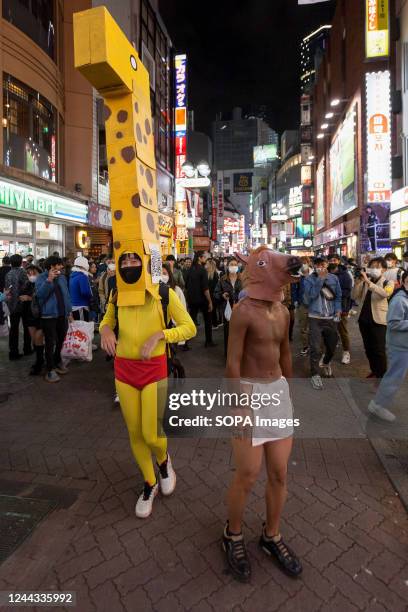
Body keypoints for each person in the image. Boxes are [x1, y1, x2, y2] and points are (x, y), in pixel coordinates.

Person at [223, 247, 302, 583]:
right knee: (248, 472)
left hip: (277, 396)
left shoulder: (283, 311)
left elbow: (284, 350)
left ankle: (271, 535)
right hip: (249, 396)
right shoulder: (243, 312)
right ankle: (233, 534)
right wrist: (238, 405)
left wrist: (289, 391)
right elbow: (233, 362)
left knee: (280, 473)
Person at [100, 252, 196, 518]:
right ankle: (149, 482)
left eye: (134, 260)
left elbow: (189, 328)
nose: (129, 265)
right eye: (124, 261)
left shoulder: (164, 292)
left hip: (154, 369)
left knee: (152, 433)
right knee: (135, 433)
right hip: (124, 370)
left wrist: (161, 335)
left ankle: (164, 462)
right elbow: (108, 320)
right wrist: (105, 330)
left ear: (145, 261)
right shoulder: (117, 292)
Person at [368, 271, 408, 422]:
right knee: (394, 377)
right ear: (404, 282)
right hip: (400, 346)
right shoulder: (399, 300)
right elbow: (393, 323)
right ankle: (377, 405)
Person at [303, 257, 342, 390]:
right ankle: (315, 374)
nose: (321, 267)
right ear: (314, 266)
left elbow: (338, 296)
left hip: (330, 317)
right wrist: (320, 279)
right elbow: (311, 296)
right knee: (315, 347)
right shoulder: (308, 279)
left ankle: (326, 362)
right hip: (315, 317)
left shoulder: (334, 278)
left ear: (327, 265)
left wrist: (338, 309)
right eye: (318, 265)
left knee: (332, 346)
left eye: (323, 264)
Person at [352, 257, 393, 379]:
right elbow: (354, 296)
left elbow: (385, 293)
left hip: (379, 321)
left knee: (379, 349)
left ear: (384, 269)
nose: (374, 269)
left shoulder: (388, 283)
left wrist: (369, 282)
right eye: (372, 267)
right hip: (364, 320)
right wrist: (359, 281)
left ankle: (382, 375)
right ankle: (374, 370)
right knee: (368, 348)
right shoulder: (365, 281)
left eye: (377, 267)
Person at [36, 255, 73, 383]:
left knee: (61, 339)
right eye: (59, 265)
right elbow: (40, 295)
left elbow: (66, 295)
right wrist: (49, 280)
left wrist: (69, 311)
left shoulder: (62, 277)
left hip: (62, 314)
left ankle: (57, 362)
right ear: (51, 266)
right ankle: (50, 369)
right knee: (50, 342)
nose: (62, 267)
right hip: (49, 315)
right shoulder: (41, 278)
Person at [5, 254, 32, 360]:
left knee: (13, 329)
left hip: (12, 305)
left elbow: (8, 290)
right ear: (21, 262)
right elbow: (27, 286)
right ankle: (27, 349)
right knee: (26, 327)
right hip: (24, 304)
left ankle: (13, 352)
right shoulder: (23, 272)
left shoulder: (8, 274)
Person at [185, 251, 214, 347]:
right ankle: (208, 341)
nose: (205, 259)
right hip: (202, 300)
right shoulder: (202, 270)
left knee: (190, 321)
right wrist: (210, 301)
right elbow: (205, 289)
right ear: (199, 258)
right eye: (204, 257)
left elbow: (186, 286)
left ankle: (185, 343)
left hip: (192, 300)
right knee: (208, 321)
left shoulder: (189, 270)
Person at [328, 254, 353, 364]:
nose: (332, 261)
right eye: (330, 260)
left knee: (342, 330)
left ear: (338, 261)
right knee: (329, 330)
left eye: (334, 260)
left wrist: (334, 294)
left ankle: (346, 352)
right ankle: (329, 351)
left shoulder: (345, 274)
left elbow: (347, 292)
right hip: (328, 307)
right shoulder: (326, 273)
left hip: (341, 307)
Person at [215, 257, 243, 355]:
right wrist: (222, 295)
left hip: (241, 310)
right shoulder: (222, 280)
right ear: (227, 266)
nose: (233, 266)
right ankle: (228, 353)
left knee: (240, 332)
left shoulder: (242, 279)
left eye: (235, 264)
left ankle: (238, 353)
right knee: (228, 332)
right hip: (227, 309)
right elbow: (216, 293)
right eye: (231, 264)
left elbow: (247, 293)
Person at [21, 265, 45, 375]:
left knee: (38, 337)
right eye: (29, 273)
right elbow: (22, 294)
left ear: (39, 272)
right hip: (29, 314)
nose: (31, 275)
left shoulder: (44, 283)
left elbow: (43, 298)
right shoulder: (27, 284)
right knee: (34, 340)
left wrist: (29, 298)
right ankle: (39, 360)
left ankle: (40, 362)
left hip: (41, 315)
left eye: (33, 273)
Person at [292, 256, 312, 355]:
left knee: (314, 327)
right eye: (302, 263)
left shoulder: (315, 274)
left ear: (309, 263)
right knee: (303, 327)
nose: (304, 265)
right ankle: (305, 346)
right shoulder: (297, 276)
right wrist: (295, 300)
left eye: (305, 262)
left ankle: (314, 345)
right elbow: (294, 289)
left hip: (314, 305)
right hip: (302, 305)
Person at [69, 256, 93, 321]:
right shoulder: (82, 276)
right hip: (81, 306)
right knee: (82, 327)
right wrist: (91, 296)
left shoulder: (73, 275)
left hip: (74, 305)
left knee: (78, 327)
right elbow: (85, 292)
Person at [206, 258, 221, 329]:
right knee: (212, 310)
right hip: (210, 294)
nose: (206, 265)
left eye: (207, 264)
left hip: (213, 295)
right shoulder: (208, 273)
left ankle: (215, 324)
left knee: (213, 310)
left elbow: (214, 286)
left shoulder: (214, 274)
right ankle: (214, 323)